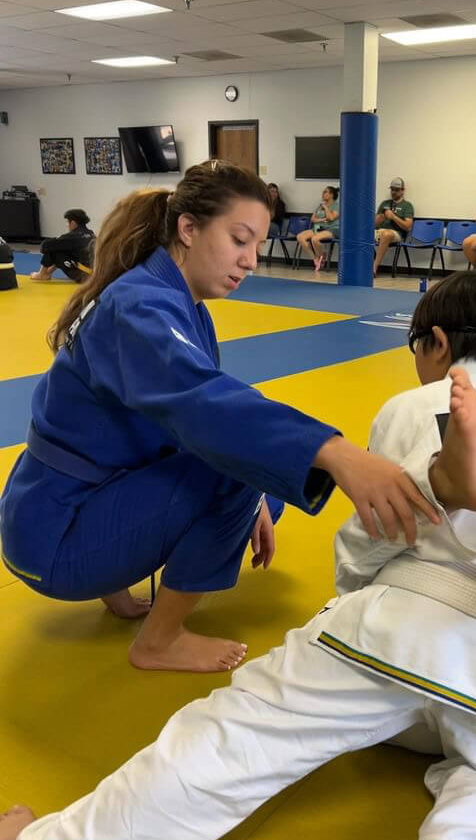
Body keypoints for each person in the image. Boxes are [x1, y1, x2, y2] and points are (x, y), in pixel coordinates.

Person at [0, 269, 476, 840]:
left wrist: (345, 601)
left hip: (400, 628)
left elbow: (372, 538)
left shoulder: (414, 407)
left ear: (434, 343)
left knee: (235, 739)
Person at [0, 160, 437, 675]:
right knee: (241, 471)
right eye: (238, 240)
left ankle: (115, 590)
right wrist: (336, 452)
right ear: (188, 229)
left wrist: (258, 487)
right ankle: (158, 641)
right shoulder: (140, 306)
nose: (250, 261)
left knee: (268, 487)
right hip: (55, 540)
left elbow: (180, 418)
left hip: (57, 509)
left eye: (256, 245)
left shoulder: (165, 299)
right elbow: (200, 403)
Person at [30, 209, 94, 283]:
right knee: (63, 249)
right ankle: (47, 273)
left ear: (73, 223)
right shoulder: (91, 234)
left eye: (67, 222)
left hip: (83, 276)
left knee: (53, 248)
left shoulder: (72, 236)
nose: (67, 225)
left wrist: (56, 239)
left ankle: (42, 274)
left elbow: (45, 246)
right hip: (94, 274)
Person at [374, 177, 414, 277]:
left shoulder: (407, 206)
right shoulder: (385, 203)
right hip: (380, 230)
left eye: (396, 190)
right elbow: (374, 224)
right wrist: (380, 218)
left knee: (386, 234)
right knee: (360, 233)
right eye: (392, 189)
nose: (394, 192)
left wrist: (393, 217)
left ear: (403, 190)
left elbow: (407, 227)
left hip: (396, 234)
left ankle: (374, 267)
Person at [296, 185, 339, 271]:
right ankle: (315, 258)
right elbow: (313, 219)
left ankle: (322, 255)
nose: (322, 194)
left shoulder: (336, 205)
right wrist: (322, 219)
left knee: (314, 239)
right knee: (300, 237)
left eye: (325, 192)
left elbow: (331, 218)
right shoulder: (320, 206)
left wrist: (326, 208)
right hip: (318, 228)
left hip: (332, 229)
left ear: (331, 195)